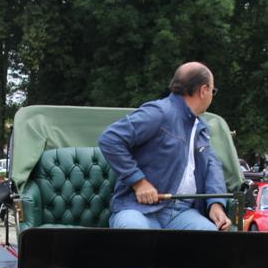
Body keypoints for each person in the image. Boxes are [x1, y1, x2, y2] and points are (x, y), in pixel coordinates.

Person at [99, 61, 230, 233]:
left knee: (211, 237)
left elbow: (213, 166)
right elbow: (110, 139)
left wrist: (216, 205)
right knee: (134, 234)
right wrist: (139, 182)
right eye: (213, 90)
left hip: (182, 213)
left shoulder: (201, 128)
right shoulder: (159, 113)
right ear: (203, 90)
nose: (211, 95)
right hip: (138, 209)